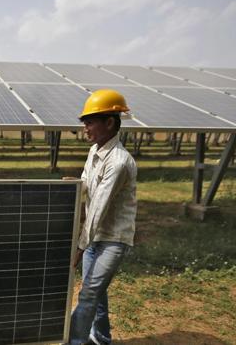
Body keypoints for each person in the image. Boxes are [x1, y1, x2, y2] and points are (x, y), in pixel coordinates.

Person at [68, 89, 137, 345]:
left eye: (90, 121)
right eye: (84, 122)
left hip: (113, 240)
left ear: (109, 122)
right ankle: (102, 337)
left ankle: (74, 341)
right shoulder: (94, 152)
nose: (85, 127)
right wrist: (75, 185)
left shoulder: (119, 162)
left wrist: (78, 248)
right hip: (94, 239)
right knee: (97, 292)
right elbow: (87, 182)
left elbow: (97, 209)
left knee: (88, 294)